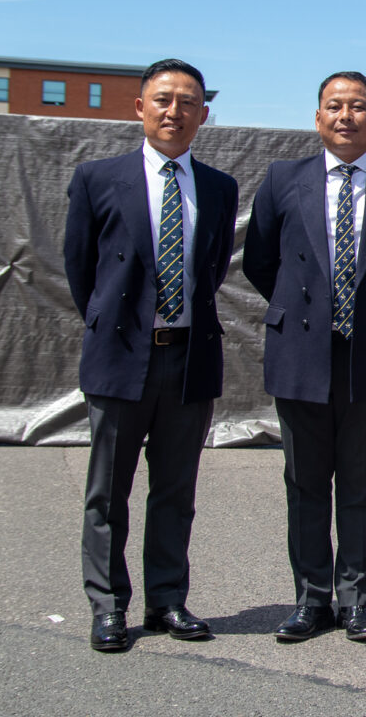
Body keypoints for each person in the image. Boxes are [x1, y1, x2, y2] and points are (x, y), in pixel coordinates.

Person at [243, 71, 366, 643]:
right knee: (305, 484)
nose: (346, 116)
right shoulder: (284, 179)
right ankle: (310, 601)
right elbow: (261, 260)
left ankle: (356, 601)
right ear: (317, 118)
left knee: (360, 484)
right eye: (335, 106)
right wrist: (311, 311)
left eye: (358, 107)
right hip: (300, 356)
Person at [64, 58, 238, 653]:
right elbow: (80, 269)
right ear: (139, 108)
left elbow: (209, 272)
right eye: (163, 100)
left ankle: (167, 600)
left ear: (203, 115)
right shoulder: (98, 178)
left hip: (188, 358)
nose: (175, 111)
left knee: (175, 490)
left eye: (188, 102)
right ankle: (109, 605)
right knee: (107, 492)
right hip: (119, 357)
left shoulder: (218, 187)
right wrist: (119, 324)